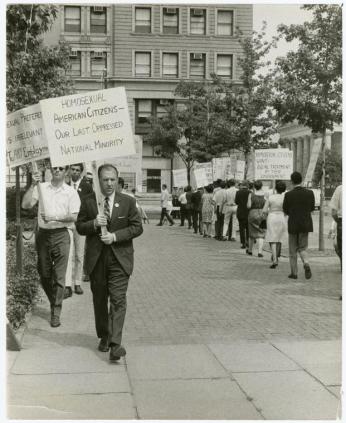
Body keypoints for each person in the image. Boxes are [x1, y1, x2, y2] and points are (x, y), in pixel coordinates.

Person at [76, 164, 143, 362]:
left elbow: (137, 227)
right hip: (97, 260)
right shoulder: (89, 202)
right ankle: (104, 335)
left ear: (117, 179)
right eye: (105, 180)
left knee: (118, 300)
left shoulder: (128, 202)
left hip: (120, 259)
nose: (109, 183)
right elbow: (80, 227)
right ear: (99, 180)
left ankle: (115, 344)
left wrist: (114, 236)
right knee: (99, 300)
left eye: (113, 179)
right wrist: (94, 224)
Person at [22, 165, 81, 328]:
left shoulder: (71, 192)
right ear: (50, 170)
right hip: (43, 235)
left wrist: (54, 217)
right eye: (54, 168)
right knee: (44, 273)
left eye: (61, 169)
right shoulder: (41, 188)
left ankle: (56, 311)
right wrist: (33, 185)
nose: (57, 171)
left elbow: (74, 216)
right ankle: (54, 298)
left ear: (66, 172)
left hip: (61, 234)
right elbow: (25, 205)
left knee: (60, 276)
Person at [64, 163, 93, 299]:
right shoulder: (65, 184)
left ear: (81, 172)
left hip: (81, 224)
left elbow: (90, 205)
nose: (75, 172)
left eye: (77, 170)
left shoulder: (87, 187)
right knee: (68, 255)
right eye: (73, 170)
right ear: (69, 171)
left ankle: (77, 283)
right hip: (68, 223)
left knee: (79, 255)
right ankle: (68, 285)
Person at [283, 171, 315, 280]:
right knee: (303, 248)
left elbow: (285, 210)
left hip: (293, 224)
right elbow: (311, 208)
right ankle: (306, 263)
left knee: (292, 250)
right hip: (305, 224)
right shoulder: (310, 193)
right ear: (301, 180)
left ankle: (294, 273)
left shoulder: (288, 195)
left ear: (292, 181)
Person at [263, 180, 287, 269]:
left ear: (276, 188)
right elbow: (287, 210)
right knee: (279, 238)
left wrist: (265, 216)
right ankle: (276, 255)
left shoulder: (271, 197)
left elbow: (264, 210)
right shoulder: (285, 198)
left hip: (272, 217)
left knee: (272, 238)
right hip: (281, 217)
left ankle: (274, 259)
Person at [247, 180, 266, 257]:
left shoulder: (251, 194)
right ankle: (260, 252)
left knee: (251, 233)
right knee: (261, 233)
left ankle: (250, 250)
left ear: (254, 186)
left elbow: (248, 206)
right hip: (262, 213)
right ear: (261, 186)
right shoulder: (266, 194)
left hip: (252, 213)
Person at [235, 181, 250, 249]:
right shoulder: (250, 192)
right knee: (248, 228)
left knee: (241, 228)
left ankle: (243, 243)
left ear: (242, 186)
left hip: (240, 212)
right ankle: (248, 241)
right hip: (248, 212)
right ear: (247, 186)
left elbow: (236, 202)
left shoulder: (238, 192)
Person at [329, 184, 342, 267]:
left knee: (340, 246)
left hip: (342, 221)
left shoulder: (340, 189)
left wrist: (339, 222)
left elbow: (333, 213)